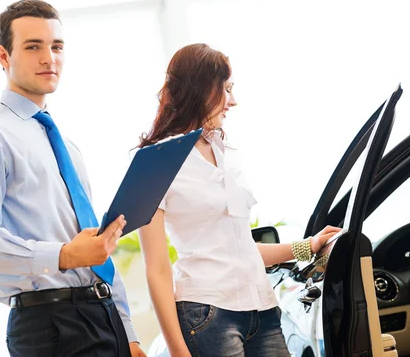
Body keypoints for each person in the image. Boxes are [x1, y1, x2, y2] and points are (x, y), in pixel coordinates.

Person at [0, 0, 146, 357]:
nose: (48, 58)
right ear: (3, 56)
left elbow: (94, 245)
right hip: (48, 324)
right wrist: (65, 255)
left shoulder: (67, 146)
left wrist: (128, 332)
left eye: (56, 46)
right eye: (33, 46)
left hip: (102, 315)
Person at [137, 43, 341, 357]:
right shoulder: (155, 161)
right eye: (227, 89)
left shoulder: (225, 152)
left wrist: (308, 245)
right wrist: (178, 350)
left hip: (262, 310)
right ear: (201, 90)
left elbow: (242, 248)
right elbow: (157, 269)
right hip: (206, 313)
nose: (233, 101)